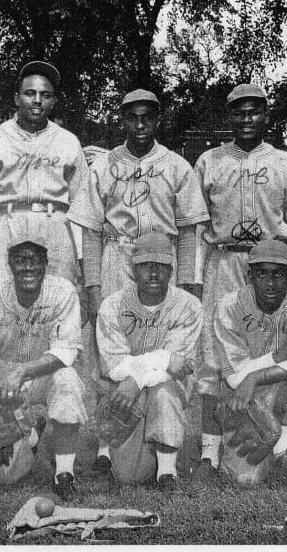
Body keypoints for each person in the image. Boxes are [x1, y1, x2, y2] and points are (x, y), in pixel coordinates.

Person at [69, 88, 209, 476]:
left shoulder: (178, 166)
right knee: (109, 355)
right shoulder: (102, 166)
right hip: (117, 252)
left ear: (158, 120)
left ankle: (161, 441)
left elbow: (187, 231)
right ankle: (103, 445)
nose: (140, 124)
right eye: (132, 117)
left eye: (148, 116)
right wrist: (94, 287)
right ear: (123, 120)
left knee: (161, 349)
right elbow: (92, 231)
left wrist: (188, 284)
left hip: (161, 260)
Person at [191, 83, 287, 487]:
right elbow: (197, 227)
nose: (247, 119)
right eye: (239, 112)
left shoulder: (285, 163)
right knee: (213, 355)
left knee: (275, 344)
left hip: (273, 264)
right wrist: (193, 278)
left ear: (266, 115)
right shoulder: (209, 160)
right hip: (225, 258)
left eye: (254, 111)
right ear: (229, 116)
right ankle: (209, 452)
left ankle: (286, 450)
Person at [0, 226, 86, 501]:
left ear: (46, 262)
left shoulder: (63, 292)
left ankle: (64, 474)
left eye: (35, 259)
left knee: (67, 379)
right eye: (20, 260)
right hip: (2, 385)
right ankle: (30, 433)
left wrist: (22, 371)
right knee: (5, 477)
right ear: (9, 264)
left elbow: (67, 352)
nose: (28, 267)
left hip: (44, 376)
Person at [210, 240, 287, 490]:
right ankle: (278, 447)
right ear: (249, 275)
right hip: (246, 399)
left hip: (283, 385)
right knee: (242, 480)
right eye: (262, 274)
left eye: (278, 274)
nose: (270, 283)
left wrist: (255, 376)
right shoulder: (228, 306)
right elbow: (235, 379)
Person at [0, 60, 88, 295]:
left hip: (56, 226)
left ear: (53, 101)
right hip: (9, 223)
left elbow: (81, 211)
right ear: (16, 98)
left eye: (45, 95)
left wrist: (83, 267)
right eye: (30, 93)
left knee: (57, 305)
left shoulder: (68, 141)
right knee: (4, 308)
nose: (37, 100)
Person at [94, 234, 202, 492]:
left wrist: (138, 378)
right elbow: (115, 366)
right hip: (124, 396)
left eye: (161, 266)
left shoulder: (189, 305)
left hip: (162, 391)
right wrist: (161, 360)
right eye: (145, 266)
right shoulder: (112, 305)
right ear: (133, 269)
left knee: (166, 390)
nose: (153, 273)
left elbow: (178, 366)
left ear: (171, 270)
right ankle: (111, 449)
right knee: (128, 477)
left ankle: (167, 471)